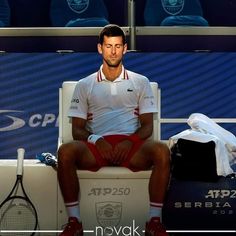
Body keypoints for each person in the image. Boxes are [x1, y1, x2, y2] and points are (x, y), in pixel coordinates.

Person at [58, 24, 170, 236]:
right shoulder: (85, 84)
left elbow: (147, 126)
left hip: (131, 146)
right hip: (97, 147)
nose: (113, 51)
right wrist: (97, 139)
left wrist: (129, 141)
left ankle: (154, 222)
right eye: (109, 46)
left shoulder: (141, 81)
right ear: (100, 48)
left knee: (162, 151)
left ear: (125, 48)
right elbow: (77, 131)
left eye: (118, 46)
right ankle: (75, 222)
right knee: (65, 152)